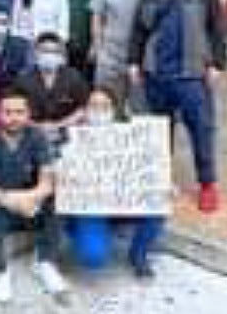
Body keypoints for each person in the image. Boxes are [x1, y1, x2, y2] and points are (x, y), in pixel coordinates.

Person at [129, 0, 227, 213]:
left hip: (191, 74)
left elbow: (217, 28)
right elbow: (139, 30)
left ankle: (207, 184)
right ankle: (161, 179)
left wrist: (217, 63)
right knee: (160, 131)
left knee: (201, 129)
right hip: (156, 73)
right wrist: (133, 62)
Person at [0, 90, 68, 304]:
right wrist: (10, 200)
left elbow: (47, 182)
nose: (13, 117)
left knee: (61, 193)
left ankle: (44, 262)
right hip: (2, 211)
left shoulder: (37, 136)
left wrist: (29, 197)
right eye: (7, 112)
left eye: (19, 112)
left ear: (28, 114)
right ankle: (1, 271)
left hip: (31, 208)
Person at [67, 87, 165, 279]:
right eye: (93, 106)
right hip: (90, 207)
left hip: (123, 202)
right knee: (93, 258)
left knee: (158, 202)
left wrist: (163, 183)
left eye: (105, 106)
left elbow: (149, 169)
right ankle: (76, 230)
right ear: (85, 110)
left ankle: (139, 254)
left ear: (113, 111)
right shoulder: (71, 138)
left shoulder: (130, 138)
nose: (99, 111)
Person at [90, 0, 151, 113]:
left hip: (143, 58)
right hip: (111, 57)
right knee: (108, 107)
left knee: (142, 109)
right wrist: (98, 47)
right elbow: (97, 16)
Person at [14, 33, 89, 145]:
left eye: (54, 51)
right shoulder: (23, 80)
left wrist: (58, 125)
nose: (49, 55)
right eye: (44, 51)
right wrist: (38, 127)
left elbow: (83, 108)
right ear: (35, 54)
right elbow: (14, 110)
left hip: (67, 133)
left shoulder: (74, 77)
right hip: (30, 135)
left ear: (61, 55)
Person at [0, 8, 33, 97]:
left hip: (13, 93)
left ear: (9, 24)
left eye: (3, 22)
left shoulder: (20, 46)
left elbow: (25, 74)